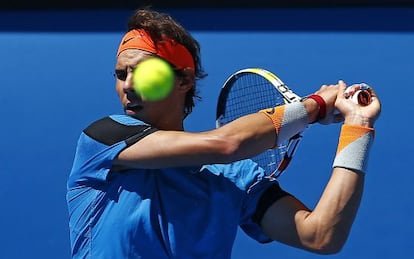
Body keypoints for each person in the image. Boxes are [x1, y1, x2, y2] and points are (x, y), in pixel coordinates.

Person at [66, 7, 381, 259]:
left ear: (184, 80)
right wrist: (312, 107)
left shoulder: (237, 177)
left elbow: (321, 235)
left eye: (145, 72)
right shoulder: (103, 139)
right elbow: (228, 143)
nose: (129, 85)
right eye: (121, 74)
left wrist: (358, 128)